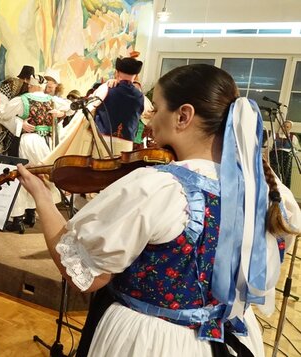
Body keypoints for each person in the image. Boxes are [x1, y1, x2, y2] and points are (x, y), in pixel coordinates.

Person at [16, 64, 301, 356]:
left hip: (153, 341)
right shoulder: (269, 190)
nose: (148, 120)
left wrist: (43, 197)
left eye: (157, 109)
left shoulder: (159, 187)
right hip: (229, 335)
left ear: (183, 116)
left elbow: (86, 275)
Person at [0, 74, 64, 232]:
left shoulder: (23, 99)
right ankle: (31, 214)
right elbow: (70, 108)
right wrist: (61, 114)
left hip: (29, 141)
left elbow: (4, 114)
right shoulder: (52, 100)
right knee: (39, 176)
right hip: (46, 143)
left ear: (31, 86)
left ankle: (17, 219)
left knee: (22, 175)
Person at [89, 55, 145, 153]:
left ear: (117, 72)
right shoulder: (140, 95)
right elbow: (144, 115)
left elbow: (90, 106)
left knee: (101, 167)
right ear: (135, 75)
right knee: (121, 168)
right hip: (127, 142)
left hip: (103, 139)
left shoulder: (106, 88)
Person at [268, 119, 300, 187]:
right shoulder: (274, 136)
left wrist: (293, 151)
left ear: (290, 128)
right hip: (275, 158)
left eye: (287, 127)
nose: (285, 128)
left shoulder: (293, 137)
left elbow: (295, 150)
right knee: (274, 175)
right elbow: (268, 148)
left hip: (286, 159)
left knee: (286, 176)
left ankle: (285, 192)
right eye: (283, 126)